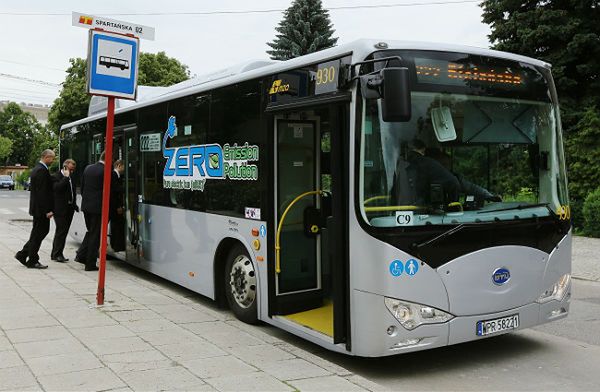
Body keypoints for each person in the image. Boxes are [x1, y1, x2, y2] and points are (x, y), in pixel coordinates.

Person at [15, 149, 55, 269]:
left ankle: (23, 254)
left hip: (37, 208)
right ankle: (32, 260)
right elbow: (42, 193)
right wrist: (47, 210)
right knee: (39, 233)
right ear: (46, 157)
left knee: (37, 233)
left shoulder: (38, 169)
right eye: (52, 158)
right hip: (41, 209)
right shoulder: (41, 170)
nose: (53, 161)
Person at [75, 152, 105, 271]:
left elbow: (82, 187)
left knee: (91, 232)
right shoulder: (105, 171)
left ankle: (82, 255)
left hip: (87, 206)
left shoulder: (88, 168)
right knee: (95, 235)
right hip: (98, 208)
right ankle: (90, 263)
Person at [50, 159, 79, 262]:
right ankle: (56, 254)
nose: (72, 172)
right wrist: (66, 177)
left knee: (64, 231)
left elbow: (72, 191)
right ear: (65, 167)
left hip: (69, 208)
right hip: (59, 209)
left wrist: (74, 204)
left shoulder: (72, 177)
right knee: (61, 231)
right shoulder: (56, 176)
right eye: (70, 169)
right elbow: (57, 188)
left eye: (73, 170)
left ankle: (57, 253)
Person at [110, 159, 126, 252]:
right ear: (119, 166)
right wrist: (118, 206)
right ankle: (117, 245)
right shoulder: (114, 175)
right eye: (123, 166)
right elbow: (114, 193)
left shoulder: (117, 175)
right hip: (115, 206)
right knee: (117, 225)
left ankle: (117, 245)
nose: (124, 169)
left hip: (116, 206)